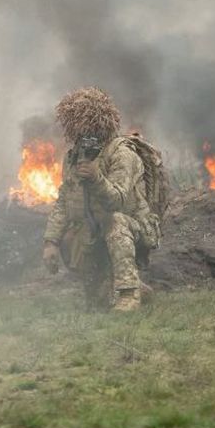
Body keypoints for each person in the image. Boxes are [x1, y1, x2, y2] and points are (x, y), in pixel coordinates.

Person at [41, 88, 160, 312]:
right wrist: (51, 242)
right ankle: (119, 286)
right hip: (92, 229)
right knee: (97, 303)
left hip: (131, 226)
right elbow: (64, 201)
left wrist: (96, 177)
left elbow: (119, 201)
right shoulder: (74, 157)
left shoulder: (121, 154)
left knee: (115, 222)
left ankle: (129, 292)